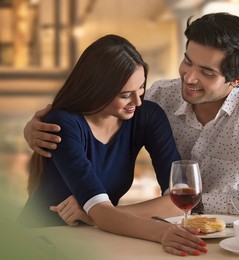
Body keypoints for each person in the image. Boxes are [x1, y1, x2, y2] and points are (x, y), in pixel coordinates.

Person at [24, 13, 239, 217]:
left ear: (237, 80)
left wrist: (195, 202)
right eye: (187, 61)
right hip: (173, 224)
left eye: (206, 72)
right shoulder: (161, 95)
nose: (189, 77)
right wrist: (35, 129)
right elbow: (98, 108)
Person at [18, 34, 207, 257]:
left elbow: (178, 201)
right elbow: (100, 210)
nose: (137, 102)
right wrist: (159, 230)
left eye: (141, 88)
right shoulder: (63, 124)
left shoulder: (147, 115)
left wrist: (105, 216)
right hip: (41, 240)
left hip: (99, 237)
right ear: (97, 90)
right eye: (125, 95)